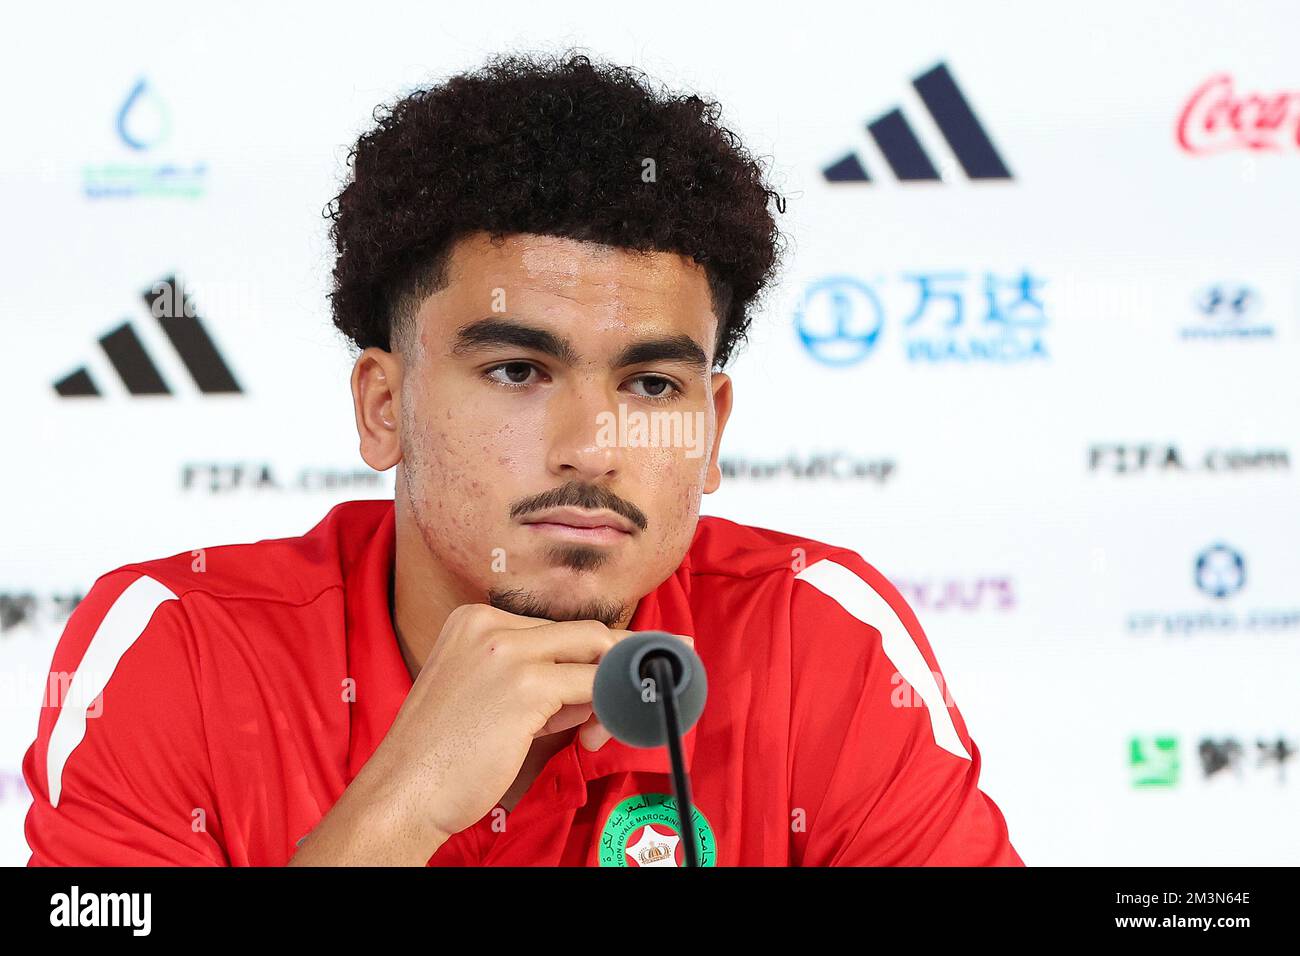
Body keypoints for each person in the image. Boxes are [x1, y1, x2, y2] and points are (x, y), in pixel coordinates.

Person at [23, 52, 1022, 866]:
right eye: (515, 371)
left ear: (709, 430)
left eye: (651, 385)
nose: (594, 445)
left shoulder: (815, 638)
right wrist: (397, 812)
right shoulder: (180, 647)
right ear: (384, 406)